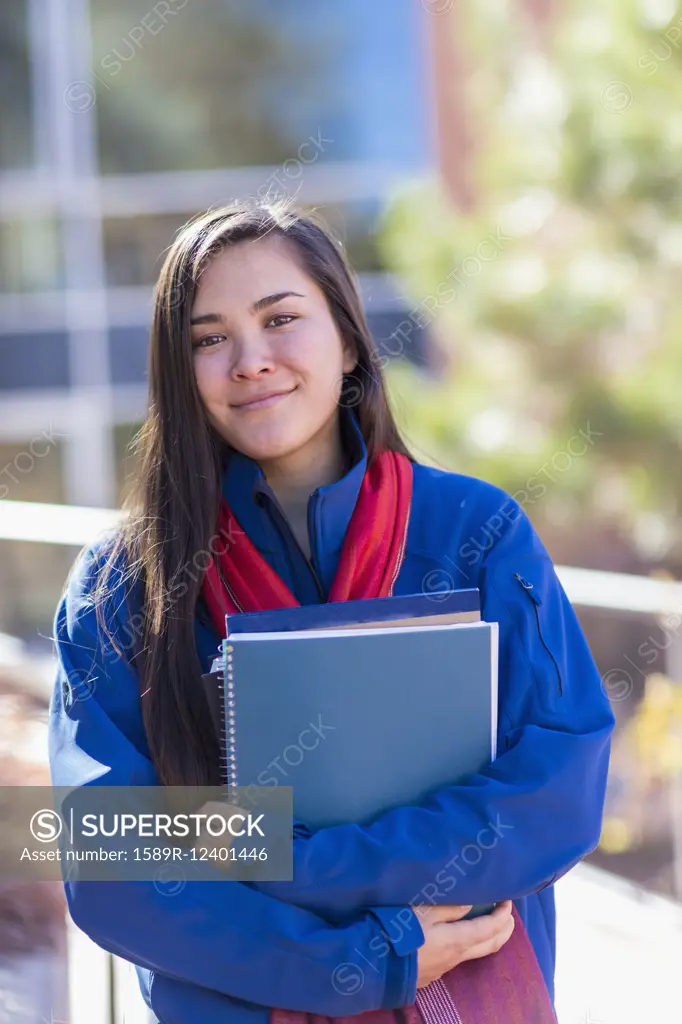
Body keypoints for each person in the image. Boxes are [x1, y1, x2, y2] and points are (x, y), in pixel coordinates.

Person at [48, 201, 615, 1023]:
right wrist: (357, 959)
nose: (249, 360)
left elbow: (558, 785)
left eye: (281, 319)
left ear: (348, 341)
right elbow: (107, 867)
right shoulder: (119, 585)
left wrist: (301, 867)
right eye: (208, 338)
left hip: (471, 982)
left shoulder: (475, 531)